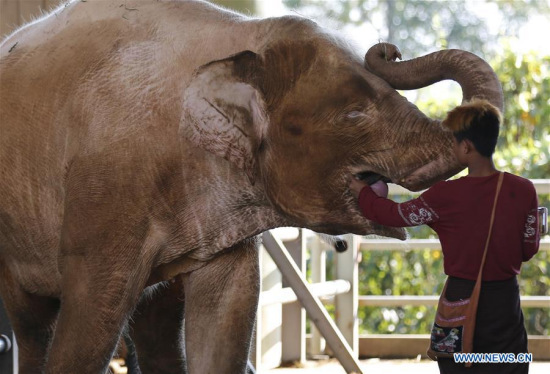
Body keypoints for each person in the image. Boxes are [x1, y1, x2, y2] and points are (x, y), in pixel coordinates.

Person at [349, 98, 540, 374]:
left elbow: (395, 215)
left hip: (460, 303)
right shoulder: (524, 190)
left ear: (465, 146)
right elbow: (528, 249)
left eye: (454, 142)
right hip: (505, 305)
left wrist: (363, 193)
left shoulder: (445, 195)